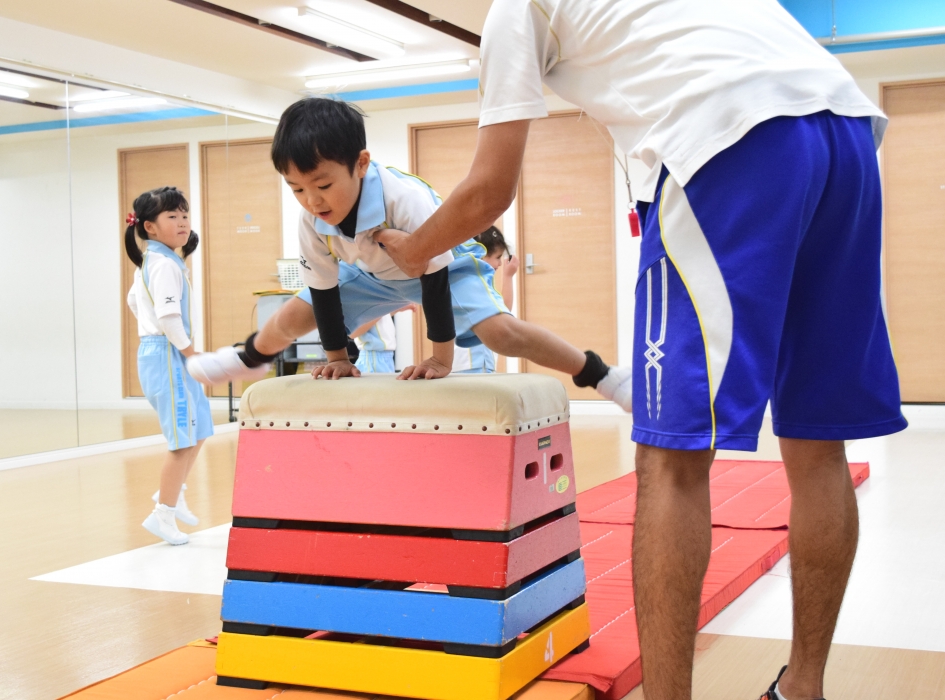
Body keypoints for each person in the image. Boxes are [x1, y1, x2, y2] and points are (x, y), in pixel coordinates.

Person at [371, 2, 908, 699]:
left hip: (726, 139)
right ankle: (801, 689)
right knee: (816, 441)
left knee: (671, 459)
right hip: (845, 133)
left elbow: (487, 190)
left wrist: (411, 251)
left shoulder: (515, 8)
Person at [188, 98, 632, 412]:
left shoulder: (405, 199)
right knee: (291, 316)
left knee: (502, 334)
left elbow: (434, 281)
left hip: (445, 266)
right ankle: (249, 358)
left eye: (323, 185)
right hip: (373, 275)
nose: (312, 200)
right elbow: (323, 292)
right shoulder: (312, 221)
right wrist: (338, 358)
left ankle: (602, 375)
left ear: (361, 164)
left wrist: (441, 358)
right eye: (297, 188)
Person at [125, 186, 215, 546]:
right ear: (149, 226)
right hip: (167, 355)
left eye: (184, 215)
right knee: (181, 440)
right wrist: (191, 354)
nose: (182, 223)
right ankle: (163, 512)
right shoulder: (162, 265)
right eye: (172, 217)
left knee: (201, 426)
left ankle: (173, 494)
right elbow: (168, 317)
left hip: (165, 352)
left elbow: (134, 301)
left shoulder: (159, 262)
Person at [453, 226, 517, 374]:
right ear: (480, 255)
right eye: (497, 258)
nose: (500, 264)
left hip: (470, 361)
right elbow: (504, 311)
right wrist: (508, 277)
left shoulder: (471, 281)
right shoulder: (473, 284)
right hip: (471, 362)